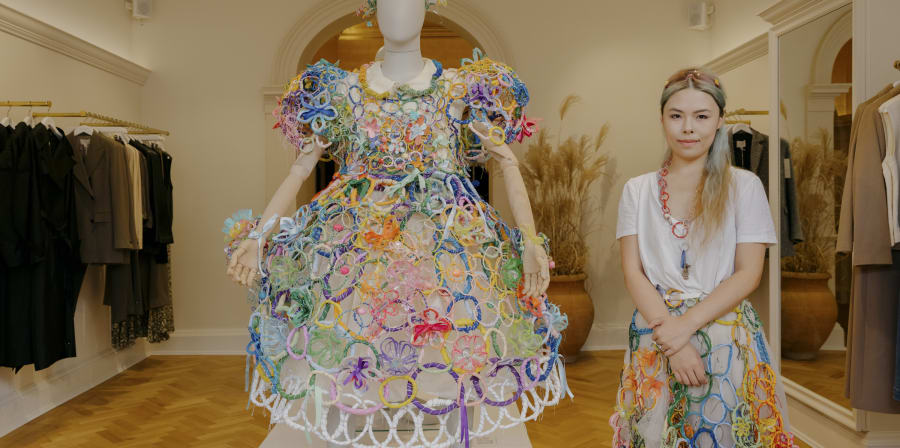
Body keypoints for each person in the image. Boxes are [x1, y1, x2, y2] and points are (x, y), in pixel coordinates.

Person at [222, 0, 567, 445]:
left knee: (457, 366)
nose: (398, 10)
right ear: (371, 8)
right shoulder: (344, 90)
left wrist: (530, 241)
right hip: (354, 256)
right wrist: (258, 236)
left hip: (447, 256)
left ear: (427, 7)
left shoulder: (459, 89)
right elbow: (300, 168)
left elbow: (507, 162)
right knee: (343, 364)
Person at [609, 68, 797, 448]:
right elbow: (633, 272)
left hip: (726, 334)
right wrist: (674, 341)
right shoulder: (637, 190)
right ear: (662, 119)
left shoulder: (745, 186)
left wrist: (684, 328)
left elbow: (749, 274)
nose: (688, 128)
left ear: (720, 120)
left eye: (701, 116)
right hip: (656, 334)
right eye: (676, 115)